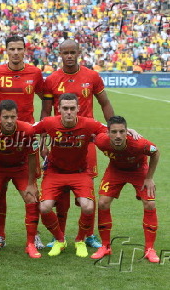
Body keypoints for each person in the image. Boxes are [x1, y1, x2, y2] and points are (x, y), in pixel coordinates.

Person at [41, 39, 115, 248]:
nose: (69, 56)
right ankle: (60, 236)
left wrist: (112, 129)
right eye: (66, 53)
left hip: (85, 141)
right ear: (60, 54)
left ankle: (88, 235)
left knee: (87, 188)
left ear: (79, 52)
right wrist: (43, 142)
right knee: (61, 191)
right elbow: (46, 112)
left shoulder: (91, 76)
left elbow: (105, 103)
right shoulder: (52, 80)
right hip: (59, 141)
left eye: (73, 52)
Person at [0, 35, 44, 249]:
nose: (16, 52)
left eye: (19, 49)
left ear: (25, 51)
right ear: (6, 51)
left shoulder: (35, 73)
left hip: (26, 139)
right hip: (1, 138)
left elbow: (46, 97)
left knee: (31, 190)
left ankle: (34, 234)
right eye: (12, 49)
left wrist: (42, 125)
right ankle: (0, 235)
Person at [33, 93, 107, 258]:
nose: (68, 112)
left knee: (88, 206)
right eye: (65, 108)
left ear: (78, 109)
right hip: (54, 172)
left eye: (72, 108)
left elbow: (112, 130)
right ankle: (60, 239)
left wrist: (129, 130)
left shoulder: (88, 124)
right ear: (58, 109)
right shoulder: (49, 122)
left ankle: (80, 240)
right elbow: (28, 128)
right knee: (44, 207)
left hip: (79, 173)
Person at [91, 116, 160, 263]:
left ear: (126, 132)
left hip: (139, 171)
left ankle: (149, 249)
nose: (118, 136)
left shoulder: (139, 143)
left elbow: (156, 152)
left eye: (122, 131)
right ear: (107, 132)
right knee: (102, 203)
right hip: (115, 170)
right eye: (114, 132)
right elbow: (89, 129)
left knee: (150, 203)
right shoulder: (101, 140)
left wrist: (149, 178)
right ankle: (105, 246)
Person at [0, 100, 40, 258]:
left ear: (17, 116)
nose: (10, 121)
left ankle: (31, 244)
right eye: (6, 117)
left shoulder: (28, 131)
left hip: (21, 168)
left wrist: (32, 183)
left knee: (31, 197)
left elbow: (33, 157)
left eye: (13, 117)